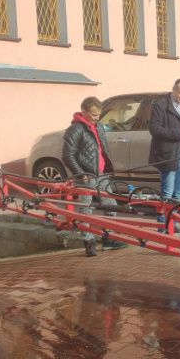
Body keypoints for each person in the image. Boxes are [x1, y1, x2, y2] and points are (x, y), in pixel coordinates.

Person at [62, 96, 127, 257]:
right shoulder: (75, 129)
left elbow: (102, 149)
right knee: (86, 210)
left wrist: (108, 168)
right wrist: (81, 173)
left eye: (98, 114)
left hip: (102, 174)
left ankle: (108, 238)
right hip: (85, 176)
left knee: (111, 205)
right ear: (83, 111)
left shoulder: (98, 126)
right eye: (93, 115)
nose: (97, 118)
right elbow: (67, 155)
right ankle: (89, 243)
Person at [148, 78, 180, 201]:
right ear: (173, 89)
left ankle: (173, 218)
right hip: (169, 155)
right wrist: (177, 133)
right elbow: (154, 129)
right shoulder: (161, 106)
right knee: (168, 192)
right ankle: (164, 218)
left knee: (179, 193)